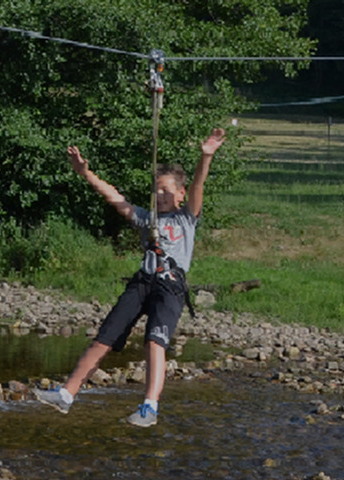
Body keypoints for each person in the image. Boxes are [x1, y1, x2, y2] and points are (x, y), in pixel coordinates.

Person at [36, 127, 225, 427]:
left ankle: (150, 407)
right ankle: (67, 394)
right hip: (141, 283)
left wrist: (205, 157)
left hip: (170, 287)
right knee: (104, 338)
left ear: (180, 194)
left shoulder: (186, 217)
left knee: (155, 341)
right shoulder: (145, 218)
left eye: (167, 190)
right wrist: (86, 174)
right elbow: (115, 198)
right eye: (157, 190)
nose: (160, 195)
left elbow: (199, 184)